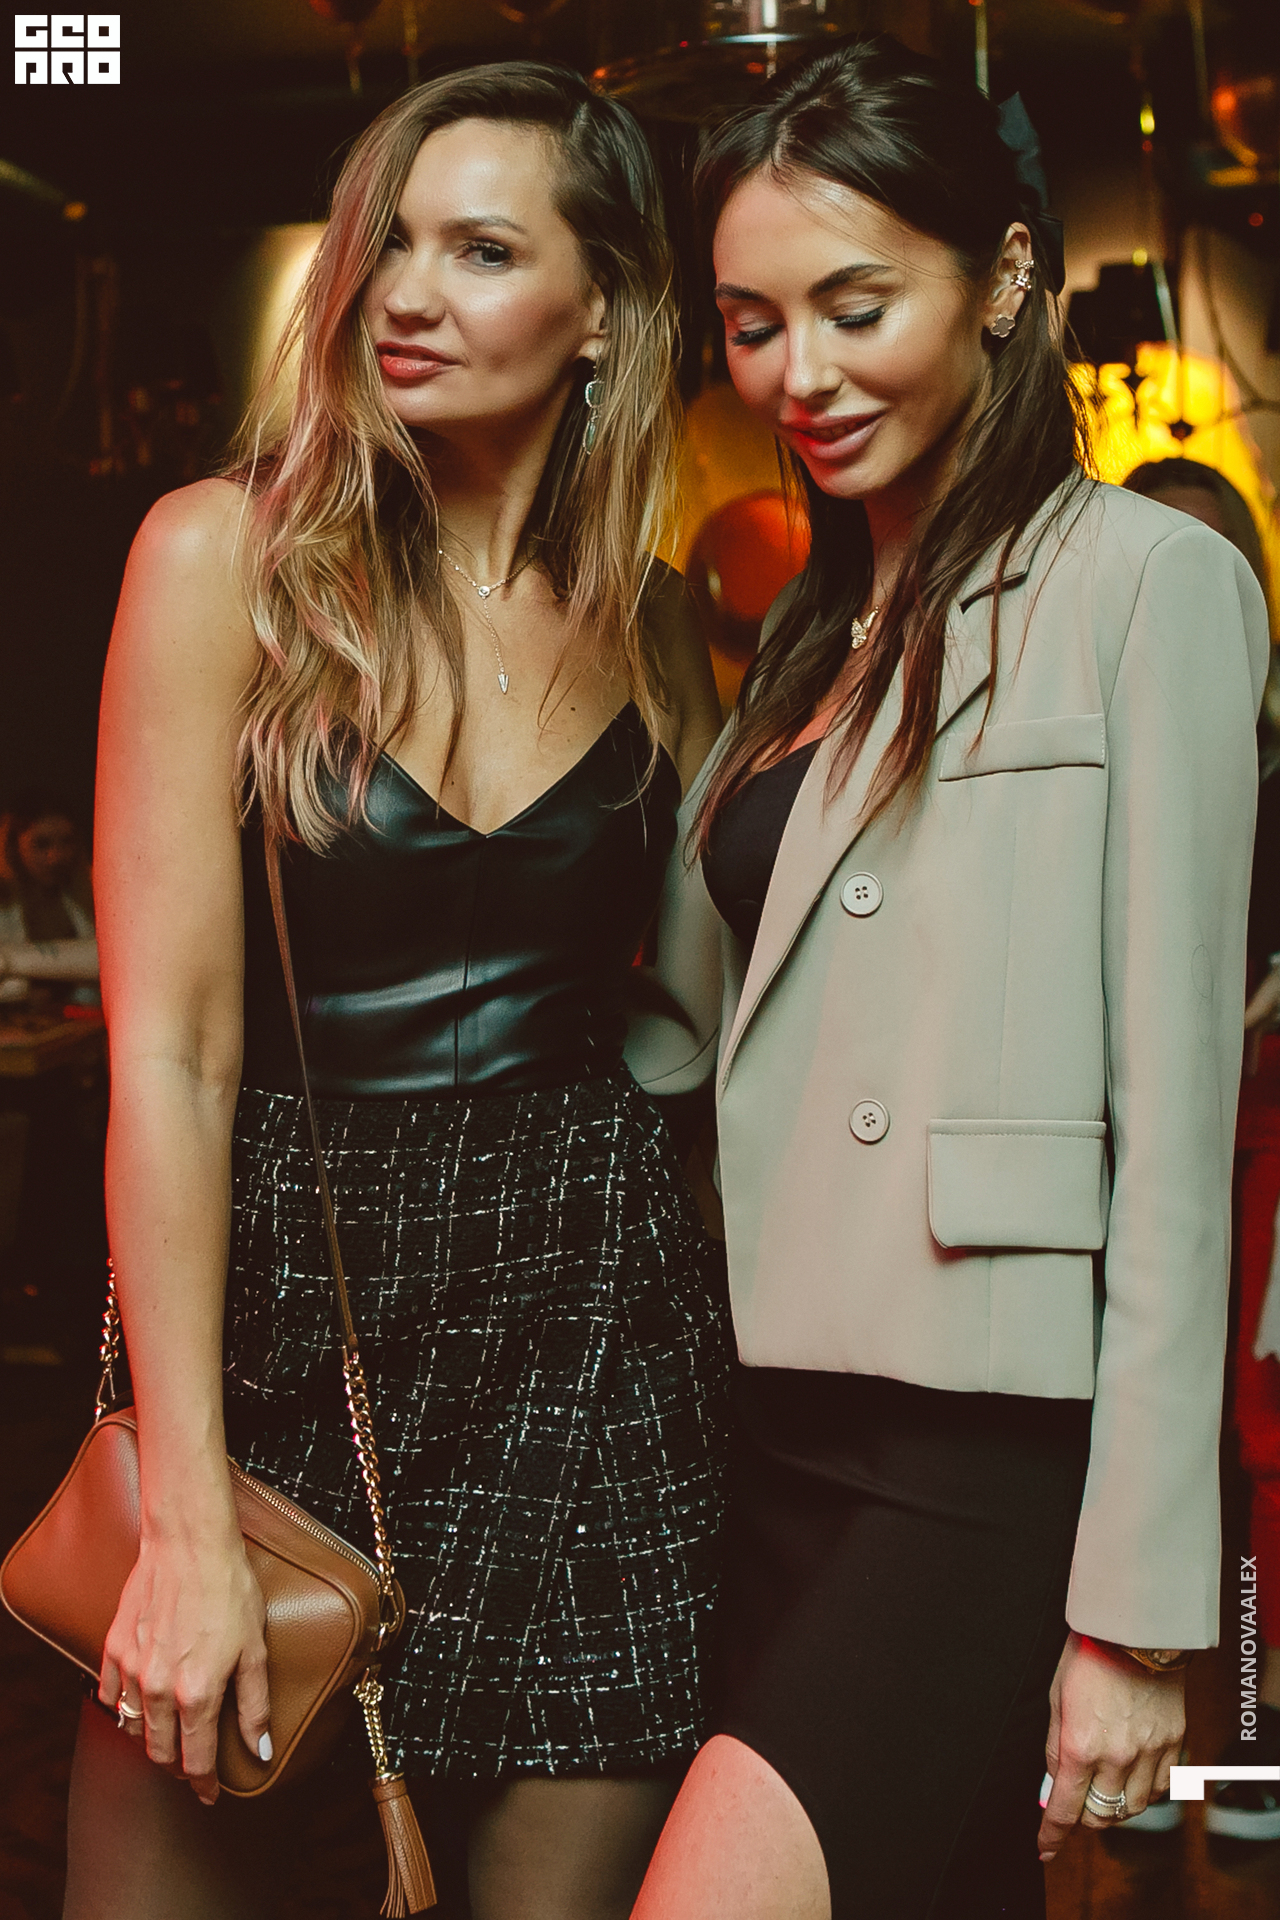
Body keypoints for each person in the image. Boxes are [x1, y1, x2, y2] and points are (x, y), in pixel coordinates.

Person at [69, 63, 728, 1920]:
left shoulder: (657, 618)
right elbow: (175, 1060)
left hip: (592, 1341)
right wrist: (185, 1513)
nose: (406, 296)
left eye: (483, 251)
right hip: (286, 1315)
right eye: (390, 248)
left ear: (604, 309)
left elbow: (697, 1023)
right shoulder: (225, 559)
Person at [628, 36, 1271, 1920]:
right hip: (770, 1415)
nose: (800, 377)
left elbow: (1176, 1129)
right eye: (754, 326)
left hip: (984, 1444)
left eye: (855, 307)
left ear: (1002, 279)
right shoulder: (801, 636)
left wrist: (1138, 1615)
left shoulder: (1145, 586)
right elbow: (697, 1033)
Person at [1123, 457, 1280, 1840]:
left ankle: (1245, 1736)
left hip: (1262, 1144)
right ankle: (1130, 1730)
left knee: (1254, 1447)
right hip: (1129, 1143)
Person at [0, 791, 99, 1004]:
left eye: (66, 841)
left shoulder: (89, 896)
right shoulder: (5, 903)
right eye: (41, 844)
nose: (56, 856)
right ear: (13, 846)